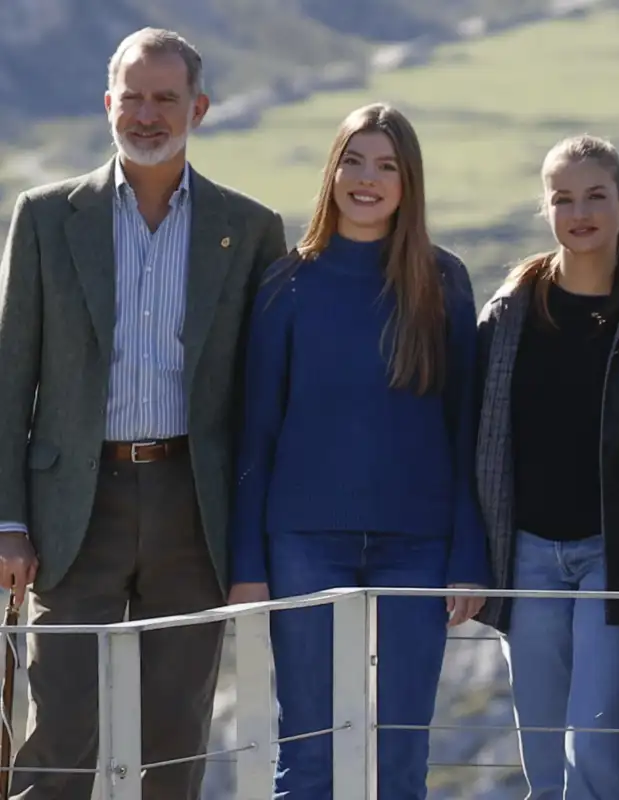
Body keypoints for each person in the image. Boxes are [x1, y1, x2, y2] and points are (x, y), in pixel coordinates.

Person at [0, 27, 286, 799]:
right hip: (71, 507)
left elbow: (264, 395)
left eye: (166, 98)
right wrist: (8, 521)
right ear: (107, 104)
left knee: (173, 735)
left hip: (193, 508)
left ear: (199, 107)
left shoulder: (252, 230)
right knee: (59, 733)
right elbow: (8, 379)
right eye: (133, 97)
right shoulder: (44, 217)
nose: (148, 114)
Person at [226, 101, 490, 799]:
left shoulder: (444, 282)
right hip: (304, 540)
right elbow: (258, 430)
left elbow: (466, 431)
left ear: (409, 183)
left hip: (419, 545)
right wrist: (248, 566)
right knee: (307, 758)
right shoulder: (287, 284)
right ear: (331, 171)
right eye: (353, 160)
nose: (366, 179)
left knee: (402, 759)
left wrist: (467, 554)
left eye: (386, 166)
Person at [475, 135, 619, 800]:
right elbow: (477, 441)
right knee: (546, 772)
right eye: (563, 198)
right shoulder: (511, 311)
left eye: (596, 195)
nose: (580, 212)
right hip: (528, 558)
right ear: (545, 209)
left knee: (598, 761)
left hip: (616, 554)